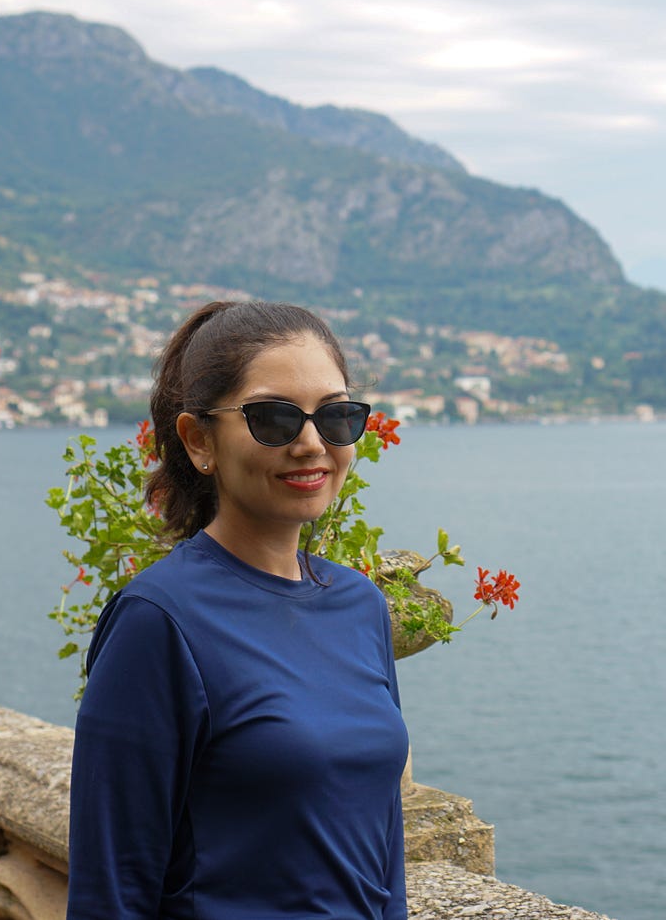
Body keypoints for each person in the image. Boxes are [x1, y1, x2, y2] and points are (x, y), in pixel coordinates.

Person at [67, 300, 409, 920]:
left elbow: (383, 860)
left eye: (336, 416)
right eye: (274, 418)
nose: (311, 443)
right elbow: (111, 890)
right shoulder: (158, 620)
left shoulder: (360, 605)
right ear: (200, 440)